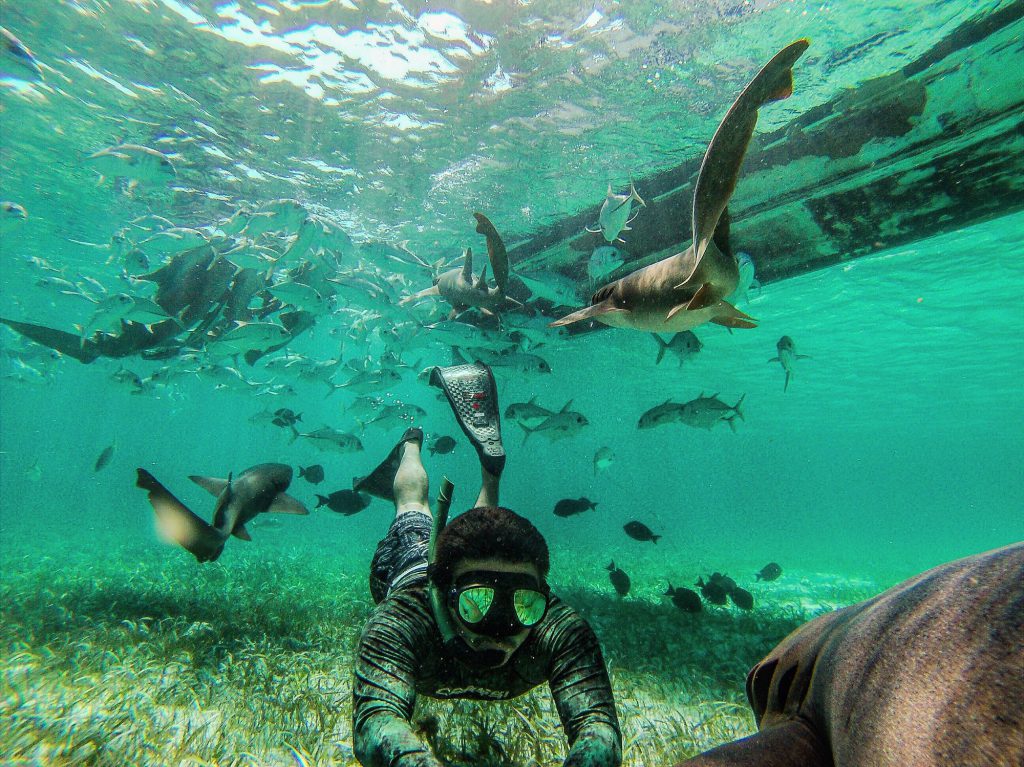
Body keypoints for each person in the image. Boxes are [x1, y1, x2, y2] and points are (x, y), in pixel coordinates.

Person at [351, 362, 621, 767]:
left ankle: (488, 477)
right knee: (411, 505)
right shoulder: (404, 620)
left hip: (458, 568)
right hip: (413, 563)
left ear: (543, 596)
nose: (501, 630)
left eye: (523, 605)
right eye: (477, 602)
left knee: (483, 542)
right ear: (444, 592)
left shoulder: (558, 629)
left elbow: (598, 729)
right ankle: (411, 443)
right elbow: (375, 723)